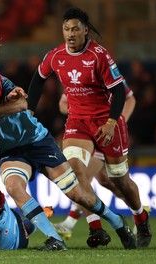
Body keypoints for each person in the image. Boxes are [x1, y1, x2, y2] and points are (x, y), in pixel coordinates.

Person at [0, 53, 137, 250]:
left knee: (77, 194)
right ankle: (55, 239)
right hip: (11, 150)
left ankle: (117, 221)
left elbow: (22, 104)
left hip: (37, 140)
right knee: (13, 186)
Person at [26, 6, 152, 248]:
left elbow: (117, 92)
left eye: (75, 29)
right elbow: (38, 80)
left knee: (119, 180)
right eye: (66, 29)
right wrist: (30, 109)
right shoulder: (55, 56)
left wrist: (112, 122)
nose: (70, 34)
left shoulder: (100, 56)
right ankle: (96, 228)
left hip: (106, 122)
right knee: (74, 171)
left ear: (86, 31)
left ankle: (140, 217)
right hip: (77, 122)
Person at [53, 80, 136, 241]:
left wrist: (120, 119)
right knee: (103, 180)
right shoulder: (76, 76)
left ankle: (71, 222)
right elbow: (62, 103)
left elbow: (130, 98)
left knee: (84, 176)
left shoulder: (107, 74)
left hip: (107, 131)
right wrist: (78, 110)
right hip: (86, 130)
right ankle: (136, 208)